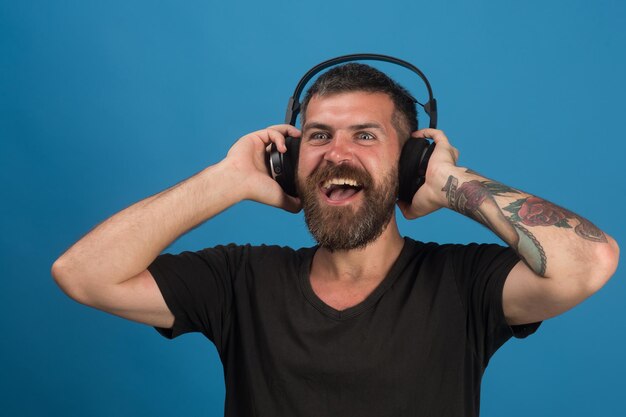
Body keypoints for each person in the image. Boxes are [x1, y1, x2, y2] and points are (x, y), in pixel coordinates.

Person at [52, 63, 619, 417]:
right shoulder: (239, 280)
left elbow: (588, 260)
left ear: (411, 159)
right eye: (319, 136)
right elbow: (83, 274)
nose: (337, 153)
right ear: (290, 163)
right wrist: (226, 180)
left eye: (365, 136)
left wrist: (447, 180)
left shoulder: (464, 283)